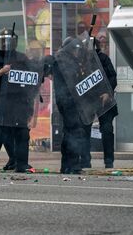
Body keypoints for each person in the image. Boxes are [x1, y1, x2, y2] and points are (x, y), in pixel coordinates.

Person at [0, 28, 38, 172]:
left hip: (19, 102)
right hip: (0, 102)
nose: (6, 45)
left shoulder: (22, 58)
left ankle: (22, 164)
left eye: (9, 41)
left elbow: (32, 78)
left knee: (22, 132)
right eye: (3, 41)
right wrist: (0, 72)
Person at [81, 38, 118, 169]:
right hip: (88, 100)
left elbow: (112, 76)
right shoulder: (82, 61)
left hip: (104, 99)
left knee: (107, 129)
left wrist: (108, 93)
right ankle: (85, 160)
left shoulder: (103, 59)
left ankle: (109, 161)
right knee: (84, 129)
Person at [52, 37, 88, 174]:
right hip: (68, 100)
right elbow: (71, 79)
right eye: (75, 49)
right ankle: (73, 165)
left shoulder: (63, 59)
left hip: (67, 100)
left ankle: (66, 165)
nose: (76, 52)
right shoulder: (64, 60)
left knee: (68, 132)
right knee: (75, 132)